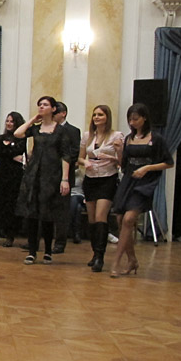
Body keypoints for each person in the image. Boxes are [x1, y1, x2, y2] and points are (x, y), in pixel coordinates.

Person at [110, 103, 173, 277]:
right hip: (129, 180)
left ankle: (116, 261)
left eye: (135, 119)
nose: (132, 122)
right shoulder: (129, 138)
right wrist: (119, 151)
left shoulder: (156, 138)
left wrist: (147, 168)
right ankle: (132, 260)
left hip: (145, 182)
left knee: (129, 219)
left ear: (144, 118)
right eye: (130, 119)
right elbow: (124, 165)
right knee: (120, 218)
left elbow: (169, 163)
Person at [14, 95, 73, 264]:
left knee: (48, 215)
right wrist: (32, 120)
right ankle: (32, 251)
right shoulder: (36, 129)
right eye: (40, 104)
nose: (41, 107)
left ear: (53, 109)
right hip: (34, 174)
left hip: (52, 175)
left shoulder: (61, 131)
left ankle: (47, 251)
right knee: (32, 214)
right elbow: (18, 133)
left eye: (45, 105)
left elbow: (66, 155)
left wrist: (65, 179)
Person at [78, 105, 124, 272]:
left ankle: (100, 256)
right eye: (95, 115)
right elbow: (79, 158)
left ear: (107, 117)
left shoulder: (116, 136)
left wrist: (114, 156)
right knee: (91, 219)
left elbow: (122, 162)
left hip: (108, 178)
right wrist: (85, 162)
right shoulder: (87, 136)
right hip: (90, 179)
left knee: (100, 216)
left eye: (100, 115)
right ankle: (94, 252)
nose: (96, 117)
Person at [0, 112, 26, 247]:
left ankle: (10, 235)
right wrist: (9, 154)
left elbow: (6, 153)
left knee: (11, 205)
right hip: (2, 172)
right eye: (7, 121)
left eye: (12, 121)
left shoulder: (21, 138)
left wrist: (2, 153)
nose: (9, 124)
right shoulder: (0, 138)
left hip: (15, 174)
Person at [53, 102, 82, 252]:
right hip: (48, 174)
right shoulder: (48, 129)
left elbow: (74, 152)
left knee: (62, 209)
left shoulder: (73, 131)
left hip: (64, 173)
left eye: (55, 113)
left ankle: (60, 242)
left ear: (63, 113)